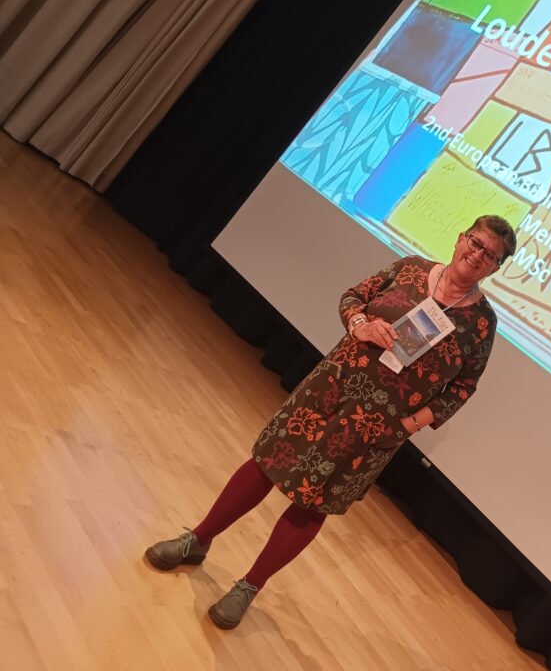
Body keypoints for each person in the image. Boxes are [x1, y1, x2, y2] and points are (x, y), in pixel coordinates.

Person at [145, 215, 516, 629]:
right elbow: (353, 297)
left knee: (314, 501)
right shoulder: (411, 268)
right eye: (475, 242)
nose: (477, 255)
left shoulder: (482, 324)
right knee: (266, 465)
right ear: (461, 238)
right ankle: (197, 540)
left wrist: (409, 425)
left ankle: (249, 585)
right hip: (329, 390)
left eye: (490, 255)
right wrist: (362, 325)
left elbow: (464, 387)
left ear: (495, 269)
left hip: (376, 429)